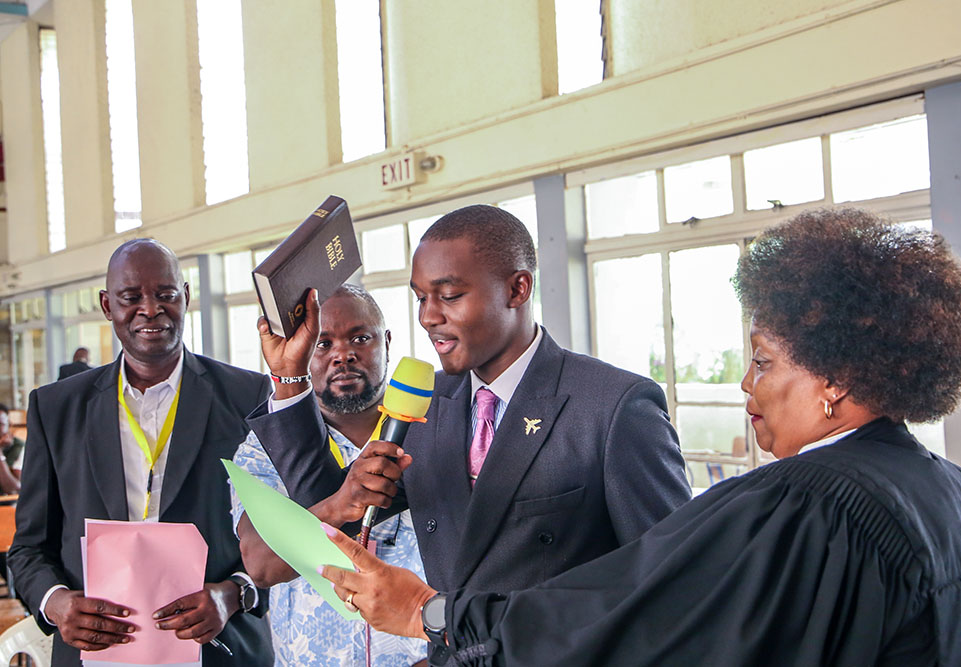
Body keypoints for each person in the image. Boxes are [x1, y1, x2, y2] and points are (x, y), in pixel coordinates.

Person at [319, 208, 961, 666]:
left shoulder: (804, 506)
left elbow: (638, 609)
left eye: (763, 361)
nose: (745, 385)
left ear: (838, 379)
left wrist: (432, 614)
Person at [246, 205, 690, 659]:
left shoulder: (612, 405)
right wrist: (290, 377)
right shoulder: (429, 400)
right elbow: (327, 501)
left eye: (450, 295)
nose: (428, 317)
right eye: (420, 298)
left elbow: (674, 581)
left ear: (518, 288)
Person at [9, 239, 274, 666]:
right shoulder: (55, 408)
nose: (150, 309)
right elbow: (27, 549)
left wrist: (233, 595)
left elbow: (282, 538)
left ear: (185, 297)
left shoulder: (247, 396)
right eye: (131, 297)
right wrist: (57, 604)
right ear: (106, 305)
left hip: (219, 648)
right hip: (95, 652)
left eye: (166, 295)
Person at [231, 285, 427, 666]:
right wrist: (338, 506)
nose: (343, 355)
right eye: (324, 343)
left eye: (360, 338)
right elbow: (261, 564)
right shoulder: (263, 448)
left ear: (386, 341)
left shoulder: (434, 428)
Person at [0, 404, 24, 494]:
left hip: (7, 504)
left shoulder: (19, 447)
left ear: (9, 425)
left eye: (0, 424)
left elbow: (13, 489)